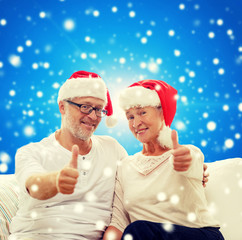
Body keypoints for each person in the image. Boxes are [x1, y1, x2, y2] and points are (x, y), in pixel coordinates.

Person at [9, 71, 128, 240]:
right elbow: (34, 185)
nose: (93, 116)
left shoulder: (113, 149)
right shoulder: (30, 152)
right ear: (62, 107)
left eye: (99, 109)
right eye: (85, 107)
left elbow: (128, 195)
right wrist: (56, 181)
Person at [103, 80, 224, 240]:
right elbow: (118, 223)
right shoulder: (125, 167)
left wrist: (184, 160)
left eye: (142, 112)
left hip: (200, 235)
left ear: (163, 113)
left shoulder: (187, 153)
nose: (136, 123)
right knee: (136, 231)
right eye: (130, 117)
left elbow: (191, 162)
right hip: (144, 235)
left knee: (138, 229)